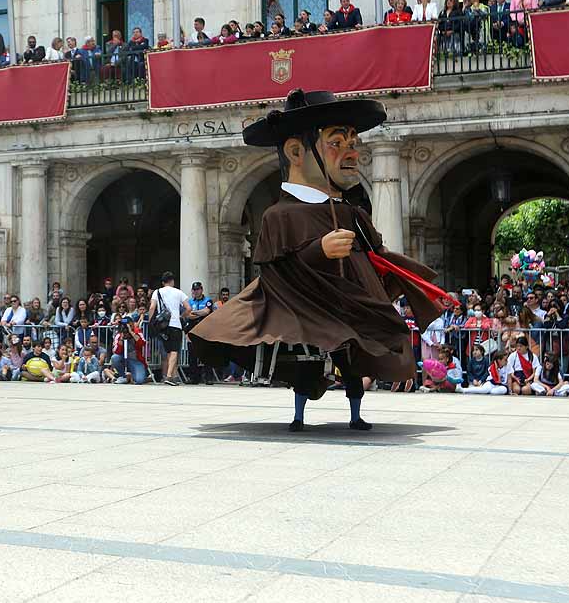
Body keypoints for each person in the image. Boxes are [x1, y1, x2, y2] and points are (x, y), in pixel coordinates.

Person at [190, 90, 451, 430]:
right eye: (337, 143)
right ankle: (298, 415)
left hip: (350, 302)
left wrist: (408, 278)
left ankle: (356, 414)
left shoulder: (352, 211)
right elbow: (273, 267)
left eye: (353, 142)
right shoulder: (278, 215)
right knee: (308, 362)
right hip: (305, 302)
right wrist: (319, 250)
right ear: (296, 152)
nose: (352, 154)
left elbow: (376, 253)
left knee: (353, 357)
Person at [148, 272, 189, 386]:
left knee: (168, 352)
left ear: (163, 282)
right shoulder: (178, 292)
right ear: (172, 281)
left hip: (163, 326)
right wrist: (182, 316)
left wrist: (151, 322)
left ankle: (174, 375)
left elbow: (152, 307)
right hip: (175, 324)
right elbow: (188, 308)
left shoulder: (157, 292)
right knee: (175, 351)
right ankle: (169, 376)